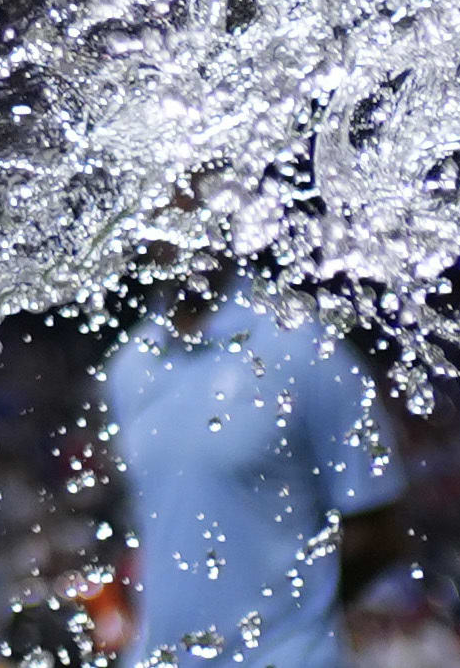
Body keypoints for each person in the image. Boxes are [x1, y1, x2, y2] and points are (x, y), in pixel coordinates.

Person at [101, 275, 410, 668]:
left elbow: (378, 532)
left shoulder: (304, 348)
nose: (168, 211)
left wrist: (288, 622)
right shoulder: (130, 366)